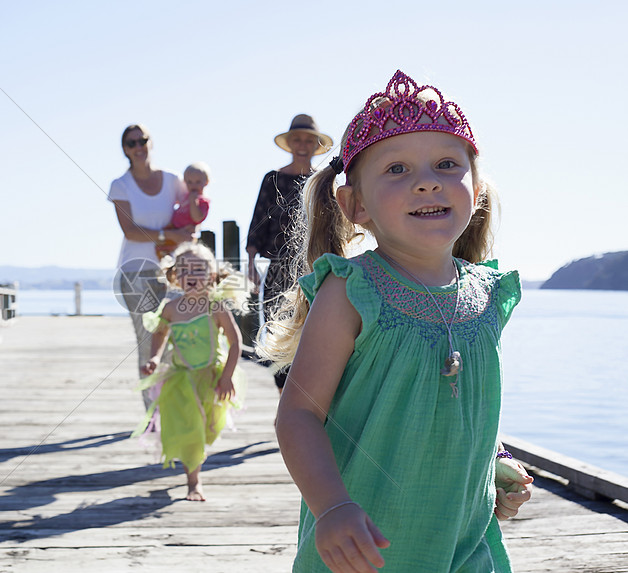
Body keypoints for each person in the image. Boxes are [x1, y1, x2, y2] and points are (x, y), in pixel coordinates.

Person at [262, 71, 533, 572]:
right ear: (355, 205)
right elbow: (297, 415)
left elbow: (468, 406)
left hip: (462, 543)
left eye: (448, 164)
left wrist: (495, 462)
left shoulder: (488, 296)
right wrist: (332, 507)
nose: (427, 180)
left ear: (476, 189)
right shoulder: (351, 292)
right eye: (397, 169)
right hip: (364, 549)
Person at [135, 242, 247, 501]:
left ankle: (195, 461)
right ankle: (193, 482)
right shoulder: (171, 309)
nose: (191, 276)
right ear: (175, 277)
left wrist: (227, 375)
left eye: (198, 270)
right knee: (190, 430)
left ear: (211, 275)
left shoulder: (216, 307)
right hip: (181, 380)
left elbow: (235, 343)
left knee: (209, 430)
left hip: (211, 378)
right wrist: (153, 357)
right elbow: (160, 334)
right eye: (184, 271)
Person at [109, 124, 196, 409]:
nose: (138, 146)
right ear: (125, 149)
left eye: (143, 140)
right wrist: (169, 235)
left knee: (175, 343)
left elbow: (190, 214)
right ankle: (152, 418)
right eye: (132, 142)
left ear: (150, 143)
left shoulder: (172, 181)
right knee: (148, 346)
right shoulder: (120, 186)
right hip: (136, 273)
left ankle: (172, 413)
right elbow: (131, 231)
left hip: (172, 274)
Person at [245, 114, 333, 391]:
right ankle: (284, 401)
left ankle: (306, 402)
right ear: (289, 143)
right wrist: (249, 264)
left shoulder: (322, 182)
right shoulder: (272, 180)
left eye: (309, 140)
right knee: (276, 335)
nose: (302, 144)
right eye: (297, 139)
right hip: (277, 269)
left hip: (314, 269)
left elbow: (333, 226)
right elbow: (258, 222)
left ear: (316, 144)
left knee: (313, 335)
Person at [156, 162, 212, 258]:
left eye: (198, 182)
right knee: (161, 248)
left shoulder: (203, 201)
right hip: (173, 228)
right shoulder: (185, 196)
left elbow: (197, 218)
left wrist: (193, 201)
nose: (193, 185)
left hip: (186, 233)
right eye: (189, 182)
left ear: (206, 182)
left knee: (179, 254)